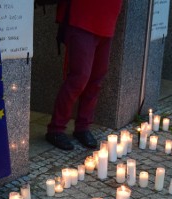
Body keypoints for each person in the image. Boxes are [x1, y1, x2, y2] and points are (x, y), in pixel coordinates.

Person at [45, 0, 124, 151]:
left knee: (96, 78)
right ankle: (56, 128)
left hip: (107, 19)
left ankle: (83, 126)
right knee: (79, 77)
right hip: (82, 18)